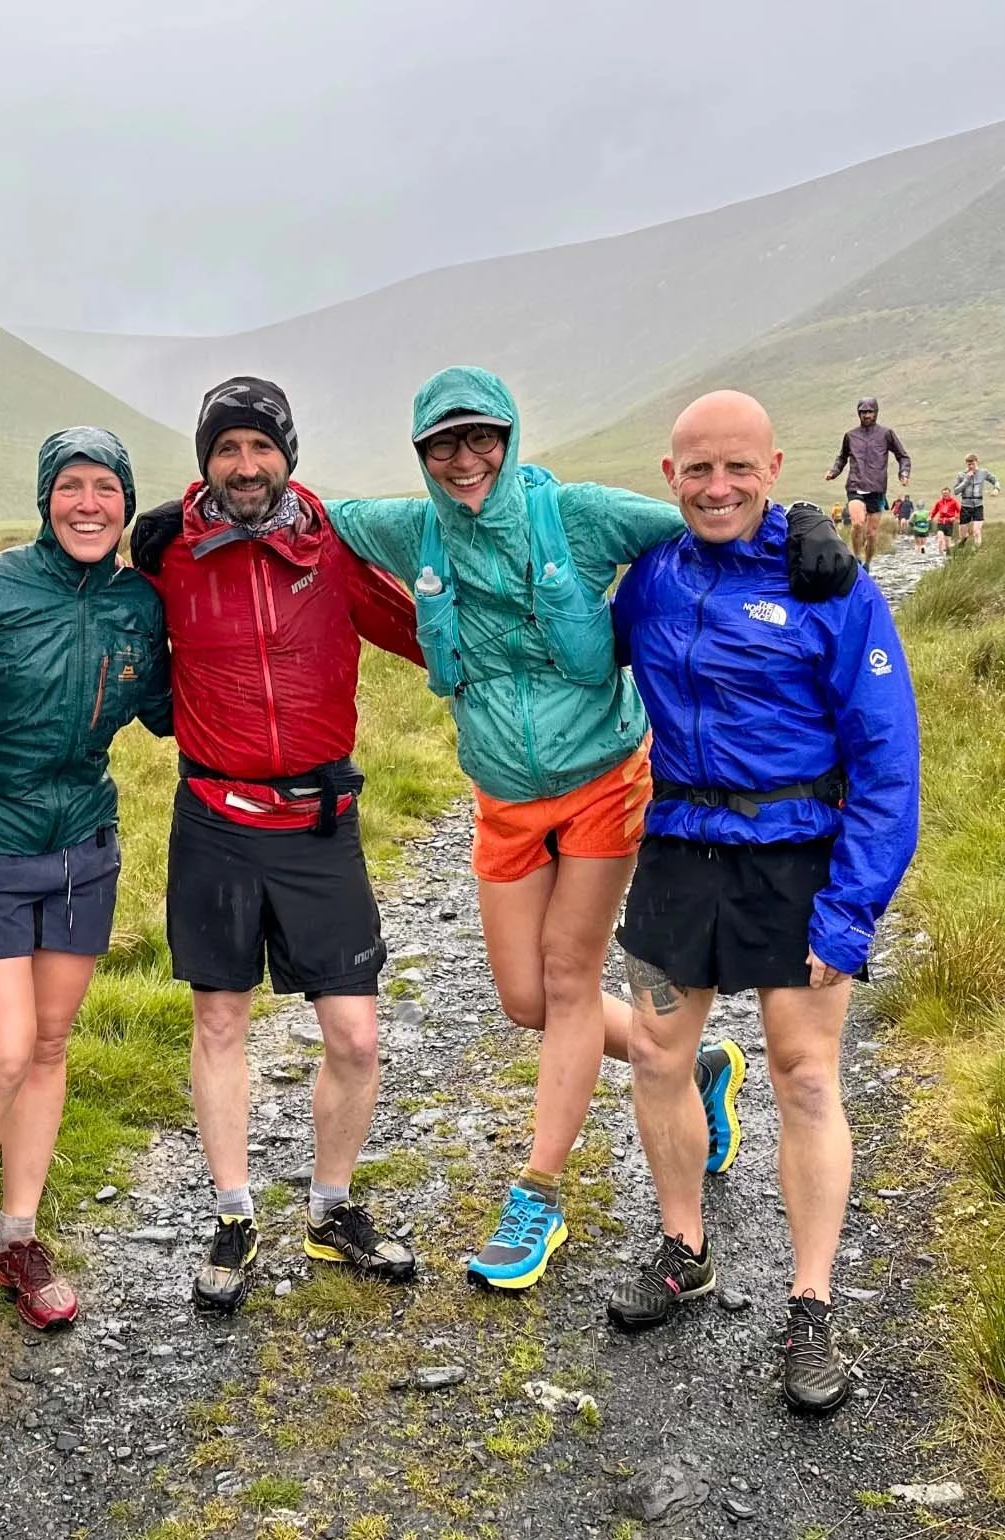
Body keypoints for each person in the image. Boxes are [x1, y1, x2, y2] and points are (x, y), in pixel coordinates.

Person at [324, 366, 855, 1292]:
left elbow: (711, 516)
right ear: (421, 455)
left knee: (571, 977)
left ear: (510, 435)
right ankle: (704, 1070)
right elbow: (308, 513)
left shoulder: (578, 515)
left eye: (480, 438)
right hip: (502, 797)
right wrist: (188, 516)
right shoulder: (410, 530)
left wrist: (803, 518)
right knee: (526, 1000)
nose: (464, 460)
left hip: (607, 781)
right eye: (442, 444)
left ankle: (538, 1193)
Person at [608, 390, 918, 1417]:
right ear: (668, 475)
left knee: (803, 1075)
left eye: (737, 468)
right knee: (655, 1055)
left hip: (796, 859)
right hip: (679, 851)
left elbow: (884, 759)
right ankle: (682, 1247)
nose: (717, 487)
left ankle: (812, 1302)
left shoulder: (828, 582)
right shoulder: (648, 580)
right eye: (697, 469)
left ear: (775, 466)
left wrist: (850, 908)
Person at [129, 377, 427, 1314]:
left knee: (355, 1033)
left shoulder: (330, 545)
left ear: (287, 456)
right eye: (227, 450)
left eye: (261, 448)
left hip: (317, 822)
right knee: (219, 1020)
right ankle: (231, 1214)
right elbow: (95, 613)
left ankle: (331, 1211)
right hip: (213, 820)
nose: (245, 466)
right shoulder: (169, 553)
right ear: (204, 462)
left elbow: (427, 634)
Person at [0, 428, 170, 1357]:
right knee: (5, 1051)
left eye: (108, 489)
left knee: (50, 1045)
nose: (89, 504)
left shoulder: (142, 602)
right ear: (46, 498)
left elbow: (176, 705)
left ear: (126, 504)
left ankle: (15, 1240)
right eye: (72, 488)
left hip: (83, 848)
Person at [825, 396, 910, 570]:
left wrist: (904, 472)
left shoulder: (886, 434)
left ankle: (868, 564)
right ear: (858, 413)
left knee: (871, 534)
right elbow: (842, 457)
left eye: (870, 412)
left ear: (876, 412)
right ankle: (855, 559)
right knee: (857, 523)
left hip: (877, 488)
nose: (866, 415)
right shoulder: (851, 435)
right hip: (855, 485)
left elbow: (903, 456)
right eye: (863, 412)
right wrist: (833, 472)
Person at [953, 453, 1000, 548]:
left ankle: (976, 551)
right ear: (966, 464)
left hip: (978, 505)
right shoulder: (961, 475)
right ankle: (961, 544)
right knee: (963, 535)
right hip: (966, 506)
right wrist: (966, 479)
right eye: (969, 464)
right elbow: (956, 491)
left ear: (977, 462)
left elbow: (995, 480)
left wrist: (996, 489)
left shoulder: (983, 473)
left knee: (976, 531)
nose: (971, 466)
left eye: (972, 464)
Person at [933, 484, 962, 557]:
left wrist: (955, 517)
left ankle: (948, 557)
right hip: (940, 523)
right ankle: (940, 557)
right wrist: (930, 518)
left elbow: (960, 512)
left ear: (949, 493)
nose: (944, 495)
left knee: (948, 544)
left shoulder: (954, 502)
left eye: (946, 493)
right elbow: (934, 511)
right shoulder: (939, 502)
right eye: (943, 493)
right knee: (940, 539)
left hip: (949, 524)